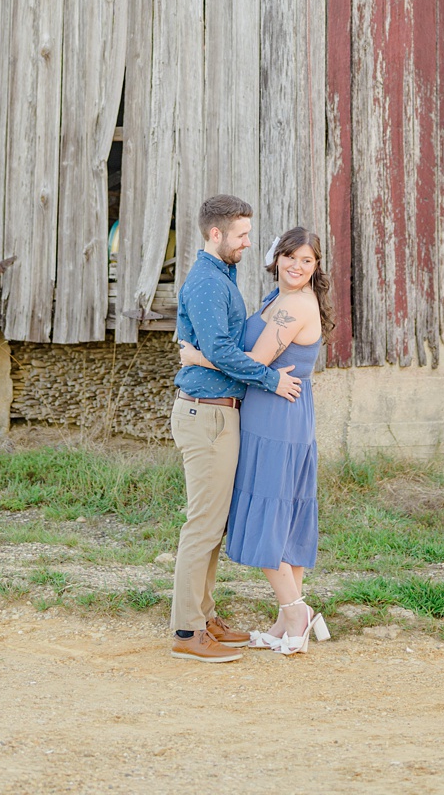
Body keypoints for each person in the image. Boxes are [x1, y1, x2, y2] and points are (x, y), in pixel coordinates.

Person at [178, 226, 330, 654]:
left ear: (316, 268)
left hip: (276, 418)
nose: (297, 266)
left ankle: (297, 612)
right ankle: (287, 621)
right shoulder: (277, 299)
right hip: (275, 412)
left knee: (269, 511)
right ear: (276, 257)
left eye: (307, 261)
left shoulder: (294, 305)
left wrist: (196, 356)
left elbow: (254, 362)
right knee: (284, 511)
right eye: (290, 257)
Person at [167, 193, 301, 664]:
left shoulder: (221, 278)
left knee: (213, 524)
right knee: (202, 525)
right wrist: (270, 378)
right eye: (241, 235)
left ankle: (204, 616)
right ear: (216, 234)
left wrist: (196, 350)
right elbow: (222, 350)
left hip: (221, 412)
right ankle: (186, 630)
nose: (248, 243)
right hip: (205, 415)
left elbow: (203, 341)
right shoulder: (207, 281)